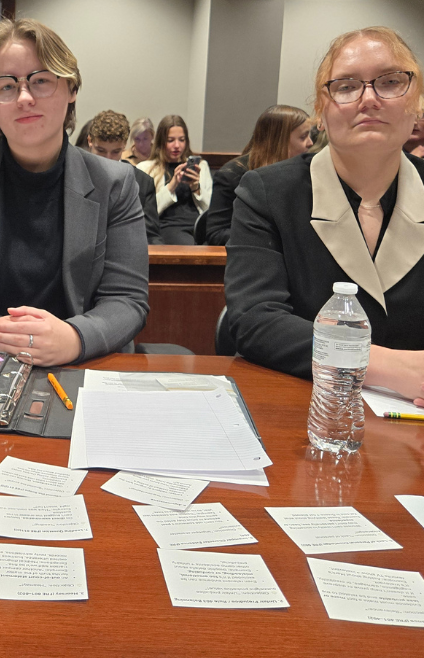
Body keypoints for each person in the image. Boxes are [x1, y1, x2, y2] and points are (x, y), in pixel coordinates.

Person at [0, 17, 149, 366]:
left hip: (78, 365)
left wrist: (74, 338)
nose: (24, 97)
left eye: (41, 81)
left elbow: (127, 300)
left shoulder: (117, 183)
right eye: (5, 86)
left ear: (72, 88)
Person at [225, 26, 424, 406]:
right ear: (321, 108)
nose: (369, 99)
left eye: (390, 82)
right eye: (347, 86)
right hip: (302, 408)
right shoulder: (267, 192)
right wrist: (389, 368)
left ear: (416, 102)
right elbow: (255, 320)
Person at [206, 105, 312, 246]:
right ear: (280, 141)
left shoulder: (304, 173)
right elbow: (216, 234)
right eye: (303, 137)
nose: (310, 143)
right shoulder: (232, 175)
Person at [87, 109, 163, 245]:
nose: (108, 159)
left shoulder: (143, 182)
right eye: (101, 151)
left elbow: (150, 235)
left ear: (125, 146)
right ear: (89, 141)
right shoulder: (75, 175)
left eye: (116, 152)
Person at [138, 115, 212, 245]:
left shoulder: (201, 166)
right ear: (161, 142)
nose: (177, 146)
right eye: (170, 140)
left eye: (181, 140)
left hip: (198, 225)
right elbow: (148, 212)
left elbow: (210, 209)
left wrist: (196, 188)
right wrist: (172, 185)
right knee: (189, 246)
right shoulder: (146, 168)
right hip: (170, 226)